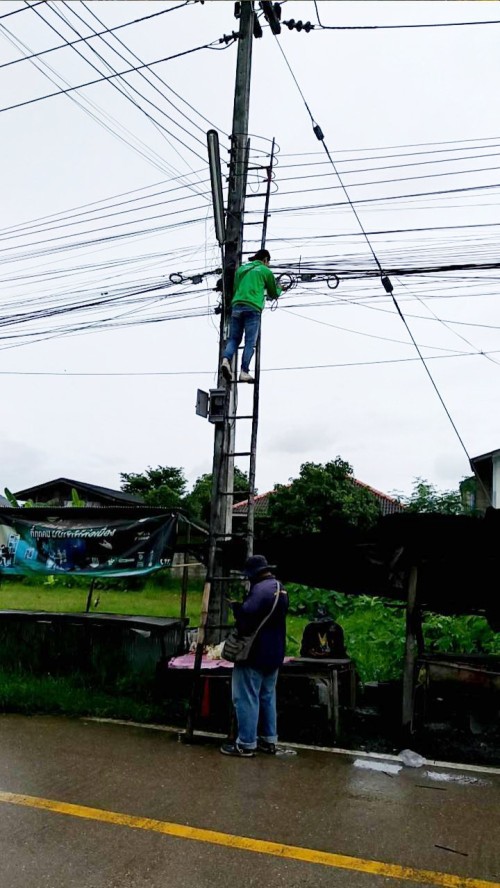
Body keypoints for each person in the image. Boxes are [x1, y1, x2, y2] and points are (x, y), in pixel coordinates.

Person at [220, 554, 288, 757]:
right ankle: (269, 741)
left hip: (254, 653)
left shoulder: (259, 591)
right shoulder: (279, 588)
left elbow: (246, 622)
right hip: (275, 653)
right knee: (267, 697)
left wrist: (237, 609)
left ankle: (246, 744)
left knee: (246, 697)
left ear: (253, 574)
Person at [220, 249, 282, 384]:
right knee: (249, 342)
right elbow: (273, 293)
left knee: (234, 339)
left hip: (237, 306)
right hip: (253, 308)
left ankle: (225, 360)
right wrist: (280, 288)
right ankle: (244, 372)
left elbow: (236, 288)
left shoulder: (241, 269)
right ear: (265, 259)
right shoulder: (265, 271)